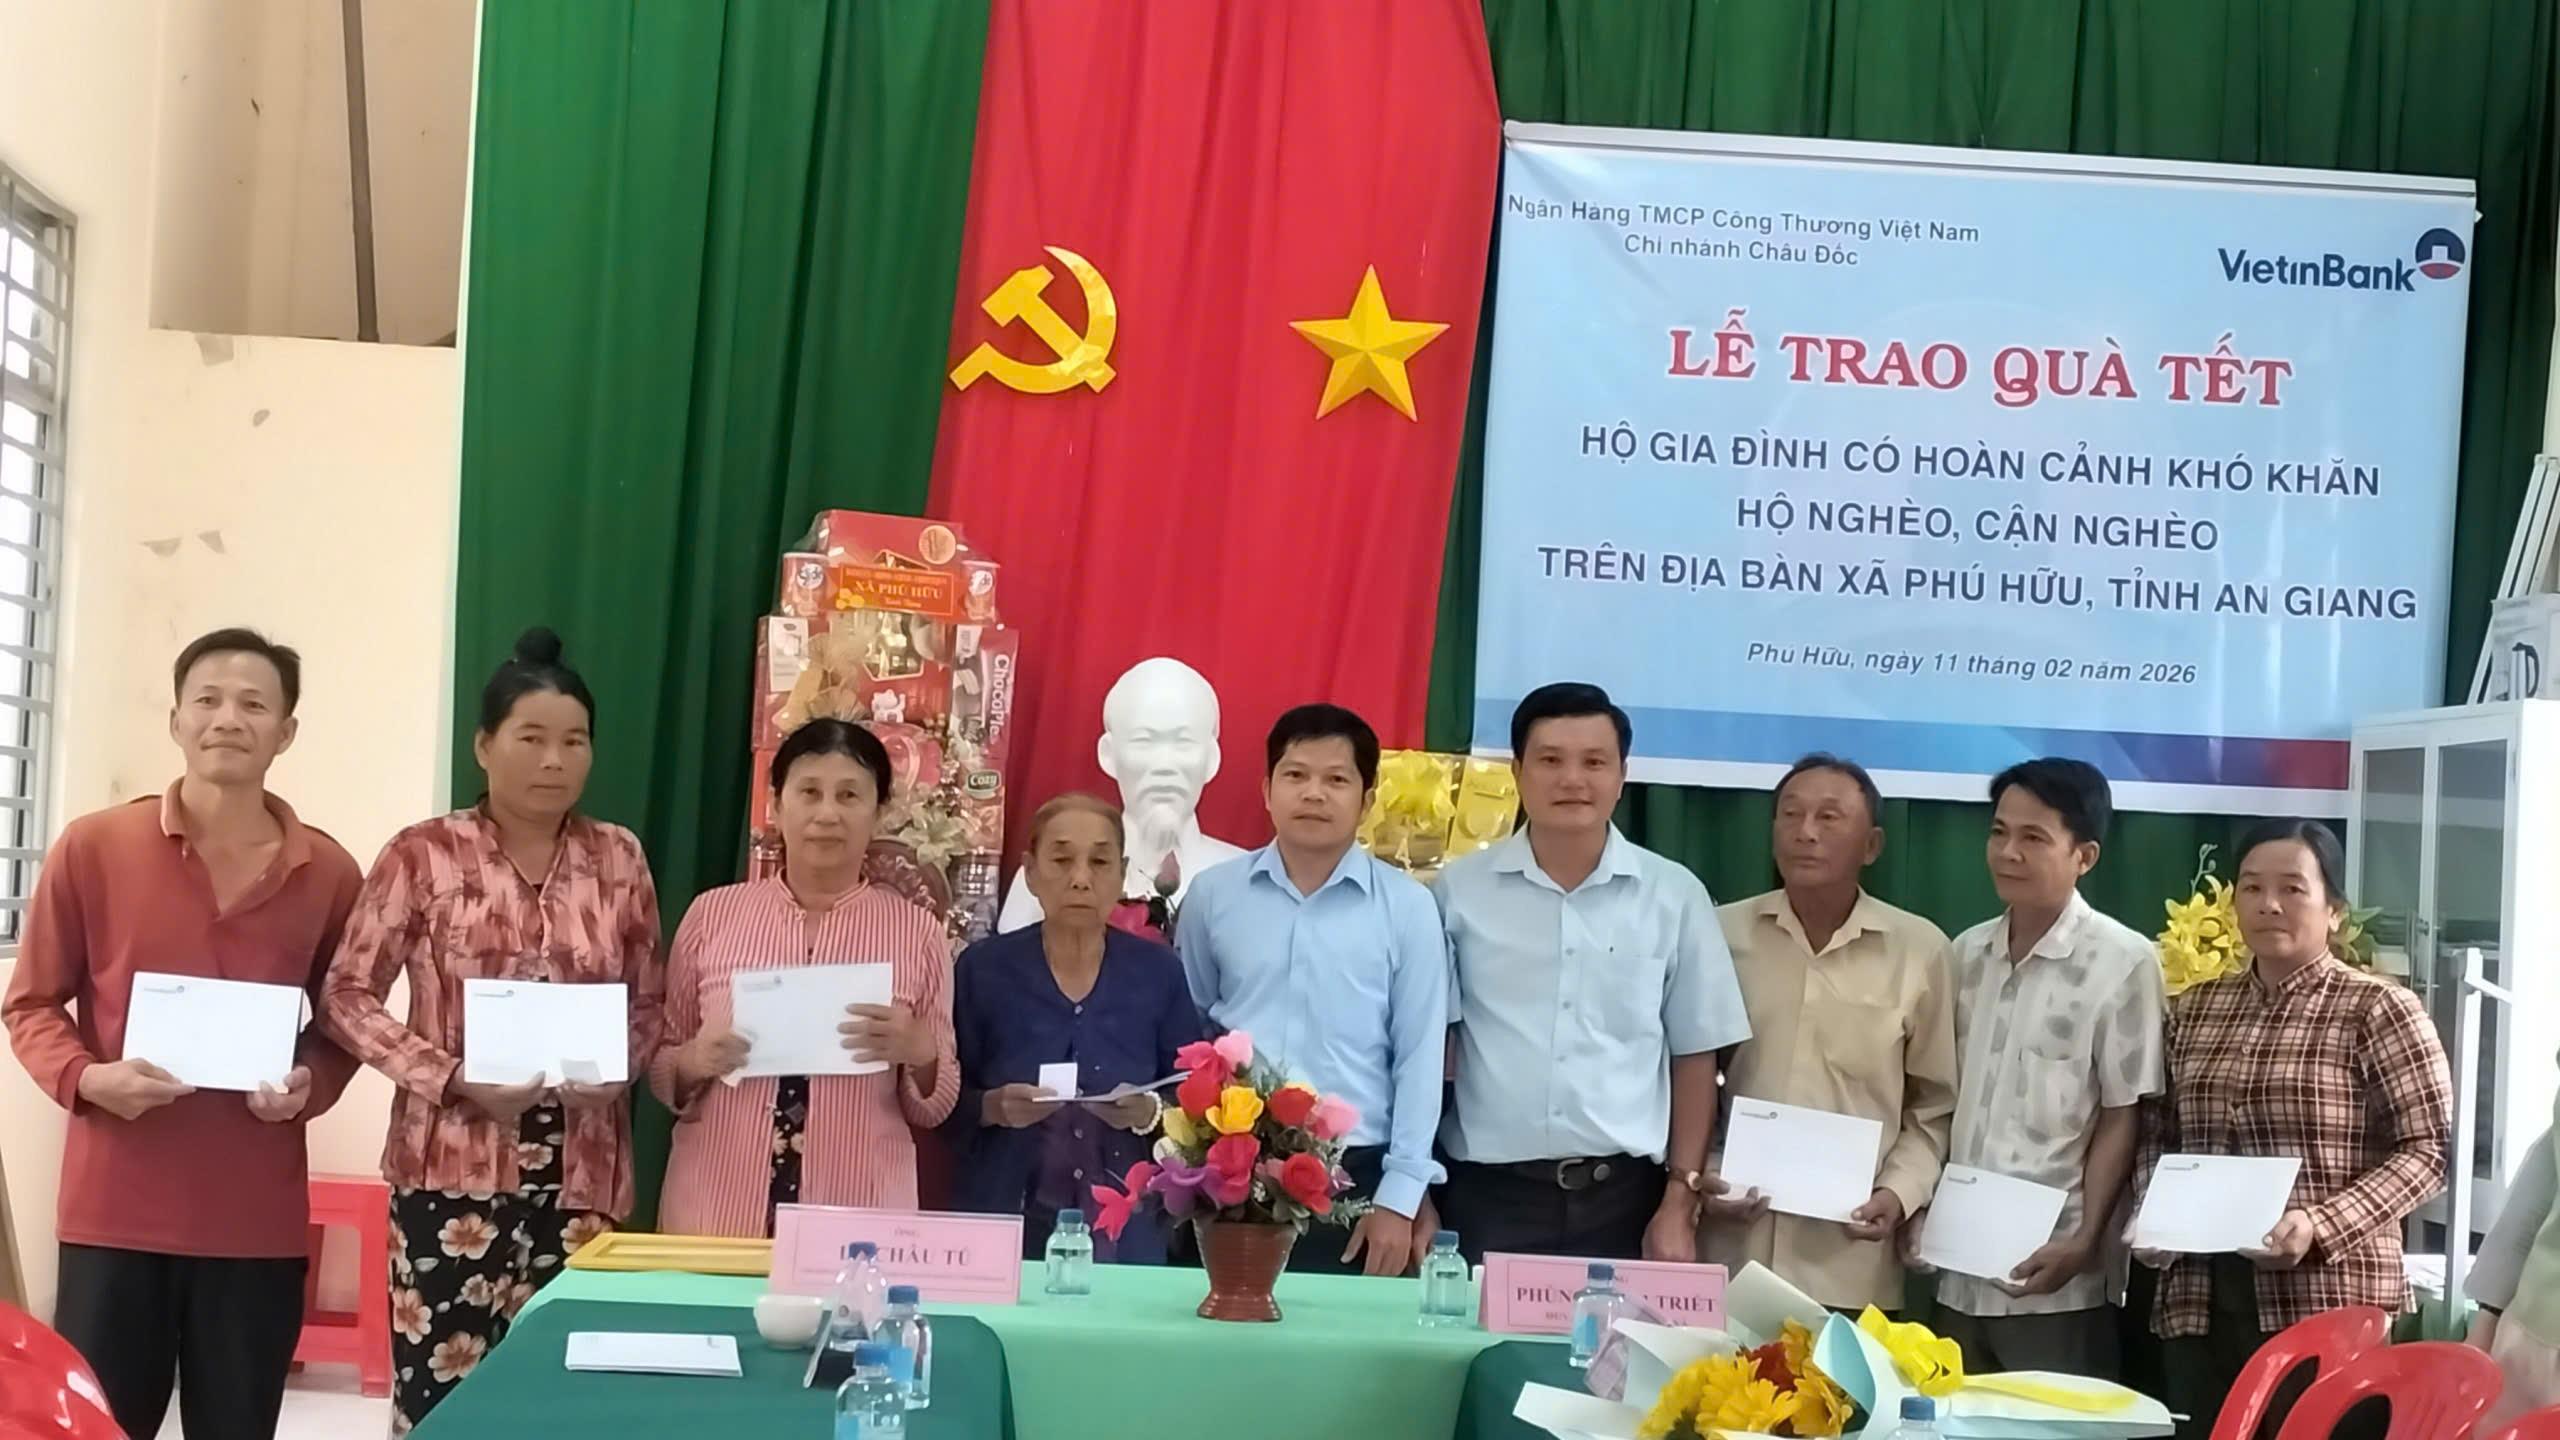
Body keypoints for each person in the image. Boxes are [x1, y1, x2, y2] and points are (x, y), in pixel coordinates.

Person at [1, 629, 362, 1440]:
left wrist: (311, 1084)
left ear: (286, 732)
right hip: (113, 1211)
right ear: (176, 721)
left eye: (254, 704)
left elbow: (344, 1025)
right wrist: (88, 1079)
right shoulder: (95, 847)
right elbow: (31, 1004)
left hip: (255, 1222)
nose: (228, 718)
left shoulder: (331, 873)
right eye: (207, 699)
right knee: (99, 1428)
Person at [320, 629, 662, 1434]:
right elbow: (345, 995)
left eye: (574, 741)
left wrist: (619, 1067)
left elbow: (650, 1001)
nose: (554, 760)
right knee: (446, 1395)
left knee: (567, 1396)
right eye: (531, 738)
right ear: (484, 746)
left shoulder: (618, 857)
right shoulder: (423, 855)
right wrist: (448, 1077)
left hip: (584, 1173)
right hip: (451, 1171)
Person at [2137, 819, 2450, 1440]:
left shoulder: (2378, 1008)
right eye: (2251, 887)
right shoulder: (2195, 1008)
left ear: (2334, 910)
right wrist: (2153, 1212)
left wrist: (2319, 1224)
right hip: (2200, 1299)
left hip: (2328, 1301)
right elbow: (2157, 1129)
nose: (2269, 904)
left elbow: (2429, 1150)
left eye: (2292, 888)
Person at [1434, 683, 1751, 1263]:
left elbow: (1695, 1054)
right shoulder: (1458, 893)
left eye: (1594, 762)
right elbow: (1428, 1046)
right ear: (1517, 772)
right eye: (1551, 760)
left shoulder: (1672, 894)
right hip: (1487, 1198)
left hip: (1628, 1201)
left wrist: (1679, 1199)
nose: (1572, 780)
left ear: (1623, 775)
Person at [652, 719, 958, 1236]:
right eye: (809, 792)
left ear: (880, 811)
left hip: (858, 1219)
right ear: (776, 804)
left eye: (849, 795)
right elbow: (662, 1067)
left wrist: (920, 1054)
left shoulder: (917, 933)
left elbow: (936, 1105)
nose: (827, 814)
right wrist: (694, 1060)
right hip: (715, 1212)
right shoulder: (712, 916)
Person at [1177, 704, 1450, 1275]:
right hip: (1231, 1169)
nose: (1314, 794)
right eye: (1296, 775)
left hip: (1357, 1175)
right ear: (1266, 790)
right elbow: (1193, 1028)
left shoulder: (1409, 909)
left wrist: (1400, 1197)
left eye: (1336, 779)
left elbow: (1420, 1058)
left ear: (1367, 800)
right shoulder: (1212, 896)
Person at [1914, 758, 2163, 1377]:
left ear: (2085, 856)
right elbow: (1938, 1100)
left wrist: (2086, 1241)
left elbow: (2122, 1115)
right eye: (1999, 832)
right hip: (1957, 1264)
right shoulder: (1965, 953)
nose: (2008, 852)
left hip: (2054, 1273)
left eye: (2033, 837)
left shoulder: (2124, 961)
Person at [1705, 753, 1957, 1313]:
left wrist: (1899, 1192)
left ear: (1872, 845)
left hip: (1849, 1261)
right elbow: (1685, 1079)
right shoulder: (1720, 936)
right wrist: (1705, 1172)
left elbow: (1935, 1105)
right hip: (1729, 1251)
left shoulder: (1920, 951)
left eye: (1828, 817)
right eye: (1791, 814)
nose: (1806, 832)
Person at [948, 792, 1203, 1260]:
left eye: (1100, 862)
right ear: (1030, 871)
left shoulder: (1158, 971)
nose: (1081, 879)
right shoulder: (982, 970)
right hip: (1004, 1225)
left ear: (1121, 874)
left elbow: (1196, 1095)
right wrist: (992, 1107)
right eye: (1062, 860)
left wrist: (1148, 1111)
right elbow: (941, 1102)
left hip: (1129, 1230)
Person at [998, 656, 1246, 932]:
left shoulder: (1245, 880)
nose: (1164, 764)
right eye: (1144, 741)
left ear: (1211, 758)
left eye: (1183, 742)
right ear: (1108, 755)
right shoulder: (1048, 875)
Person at [2470, 1120, 2560, 1428]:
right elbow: (2532, 1199)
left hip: (2534, 1330)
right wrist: (2487, 1318)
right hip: (2535, 1332)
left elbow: (2530, 1200)